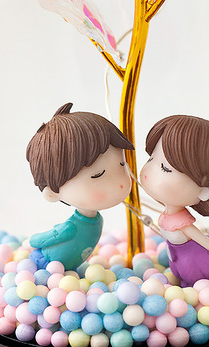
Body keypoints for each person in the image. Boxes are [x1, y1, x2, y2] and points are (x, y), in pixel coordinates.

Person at [26, 102, 133, 270]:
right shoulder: (71, 228)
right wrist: (32, 242)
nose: (119, 184)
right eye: (97, 175)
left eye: (122, 164)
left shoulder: (96, 220)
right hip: (44, 264)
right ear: (52, 193)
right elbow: (37, 240)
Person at [140, 114, 209, 287]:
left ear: (204, 190)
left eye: (165, 168)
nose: (148, 172)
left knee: (192, 280)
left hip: (192, 259)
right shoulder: (167, 215)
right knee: (180, 276)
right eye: (151, 159)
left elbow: (203, 241)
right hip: (176, 257)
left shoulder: (182, 223)